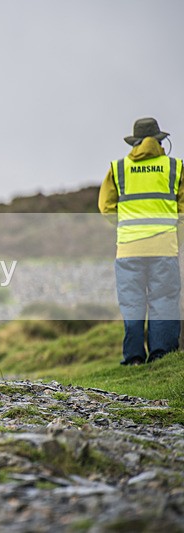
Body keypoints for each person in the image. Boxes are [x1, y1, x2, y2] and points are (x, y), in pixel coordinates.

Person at [98, 117, 183, 365]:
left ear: (134, 142)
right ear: (160, 140)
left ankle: (134, 358)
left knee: (132, 302)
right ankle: (161, 355)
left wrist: (126, 224)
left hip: (128, 249)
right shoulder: (175, 167)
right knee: (164, 299)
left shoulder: (119, 168)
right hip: (164, 247)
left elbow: (105, 207)